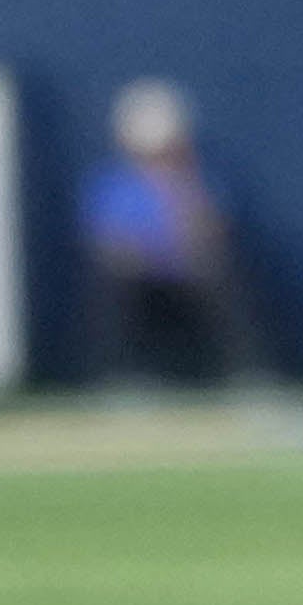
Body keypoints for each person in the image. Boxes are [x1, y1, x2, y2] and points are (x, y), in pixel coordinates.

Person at [82, 79, 235, 391]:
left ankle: (244, 373)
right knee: (113, 289)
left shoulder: (196, 182)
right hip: (139, 281)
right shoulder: (113, 186)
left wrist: (179, 192)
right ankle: (120, 377)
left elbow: (211, 236)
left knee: (225, 280)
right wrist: (145, 257)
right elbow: (110, 245)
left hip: (189, 278)